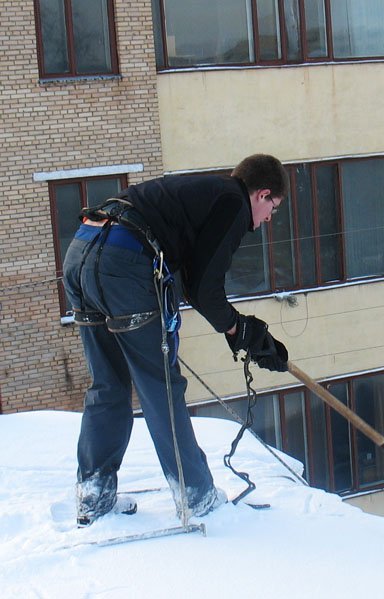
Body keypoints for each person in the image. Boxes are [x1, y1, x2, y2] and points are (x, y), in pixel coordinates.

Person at [62, 154, 289, 527]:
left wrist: (240, 332)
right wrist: (240, 329)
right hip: (123, 262)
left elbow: (192, 280)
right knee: (160, 388)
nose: (266, 221)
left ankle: (94, 494)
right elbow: (204, 288)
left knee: (109, 384)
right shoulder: (232, 202)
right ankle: (196, 495)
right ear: (262, 194)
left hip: (82, 252)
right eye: (272, 209)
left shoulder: (198, 193)